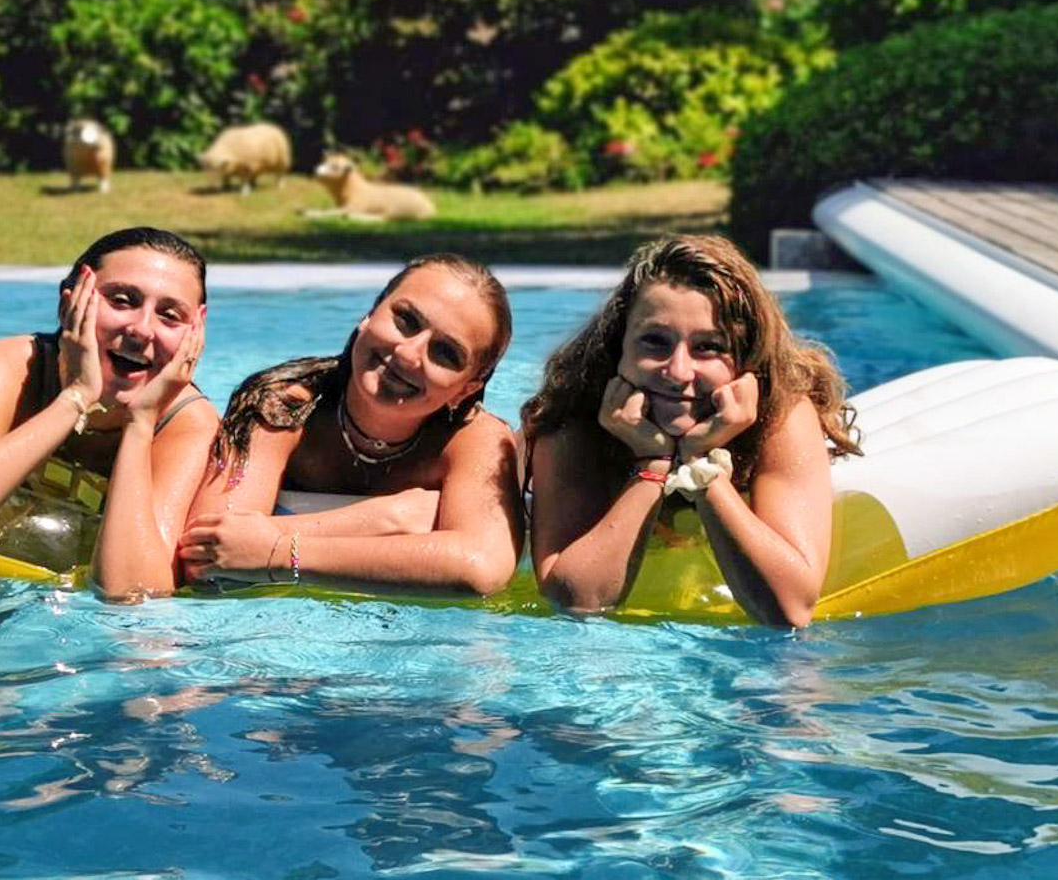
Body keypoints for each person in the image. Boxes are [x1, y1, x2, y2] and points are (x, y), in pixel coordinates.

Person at [522, 234, 860, 627]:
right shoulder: (575, 419)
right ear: (619, 349)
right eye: (654, 342)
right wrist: (653, 463)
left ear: (746, 359)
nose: (678, 371)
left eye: (709, 347)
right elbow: (575, 602)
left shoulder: (780, 416)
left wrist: (701, 465)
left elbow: (790, 611)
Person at [0, 227, 217, 601]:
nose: (142, 329)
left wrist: (140, 423)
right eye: (122, 300)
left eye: (170, 315)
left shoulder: (188, 425)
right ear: (69, 306)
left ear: (196, 332)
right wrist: (76, 398)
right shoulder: (14, 369)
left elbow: (135, 601)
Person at [177, 255, 522, 598]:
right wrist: (385, 519)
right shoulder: (286, 408)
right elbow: (206, 552)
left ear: (467, 388)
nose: (409, 353)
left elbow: (480, 568)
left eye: (446, 353)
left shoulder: (476, 440)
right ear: (368, 316)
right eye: (405, 320)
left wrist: (278, 552)